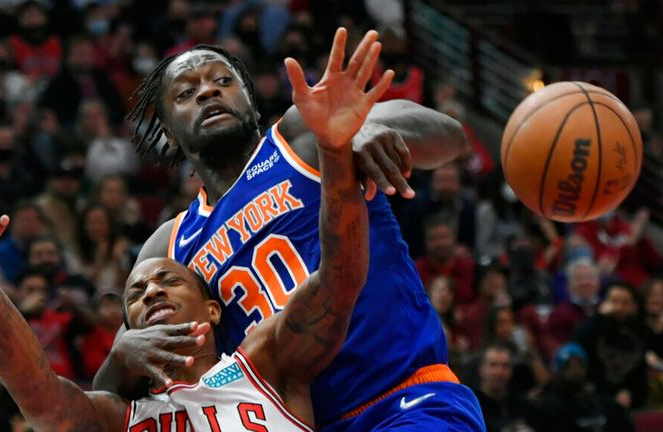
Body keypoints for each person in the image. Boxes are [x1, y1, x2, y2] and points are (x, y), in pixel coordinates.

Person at [0, 36, 379, 428]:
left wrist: (338, 152)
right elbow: (36, 394)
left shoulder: (264, 364)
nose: (149, 292)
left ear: (214, 310)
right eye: (135, 293)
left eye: (168, 280)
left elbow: (340, 277)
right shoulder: (119, 417)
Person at [97, 28, 483, 431]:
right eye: (185, 93)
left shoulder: (302, 137)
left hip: (400, 398)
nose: (208, 92)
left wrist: (363, 131)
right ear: (167, 131)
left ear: (250, 100)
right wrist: (120, 355)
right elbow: (110, 400)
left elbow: (451, 138)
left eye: (223, 81)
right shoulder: (169, 248)